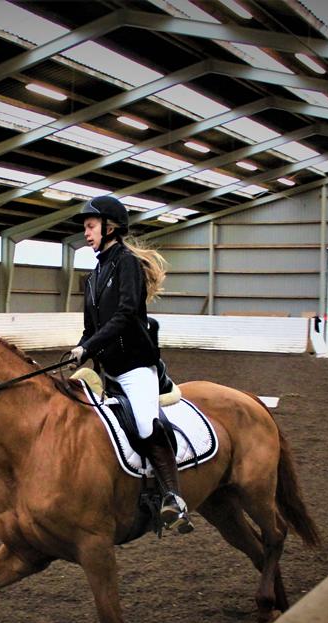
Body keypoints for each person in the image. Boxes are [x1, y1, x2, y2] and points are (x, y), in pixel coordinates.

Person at [68, 195, 191, 534]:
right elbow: (90, 329)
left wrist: (89, 345)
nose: (86, 233)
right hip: (108, 370)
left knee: (145, 424)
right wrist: (79, 348)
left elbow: (125, 315)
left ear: (110, 227)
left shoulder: (127, 264)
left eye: (91, 227)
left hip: (136, 366)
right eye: (85, 228)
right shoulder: (92, 279)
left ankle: (173, 499)